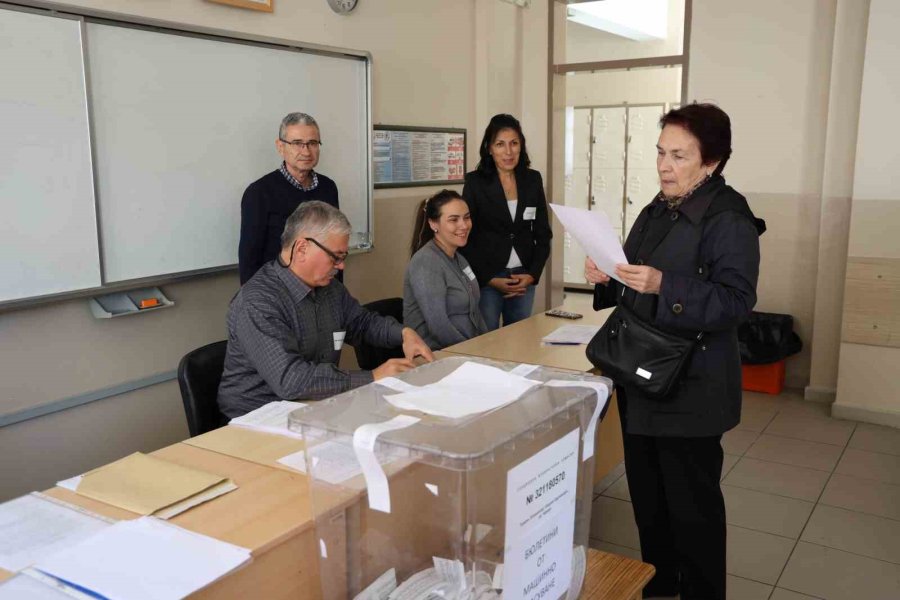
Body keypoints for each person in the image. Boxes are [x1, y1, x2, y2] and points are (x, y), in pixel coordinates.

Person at [585, 104, 764, 600]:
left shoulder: (729, 218)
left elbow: (736, 302)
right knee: (651, 509)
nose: (664, 165)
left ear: (712, 162)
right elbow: (631, 276)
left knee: (694, 517)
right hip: (641, 381)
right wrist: (605, 276)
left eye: (678, 155)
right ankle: (659, 589)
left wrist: (668, 285)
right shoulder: (657, 207)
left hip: (691, 393)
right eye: (661, 152)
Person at [218, 201, 433, 418]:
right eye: (335, 257)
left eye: (343, 257)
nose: (341, 266)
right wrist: (372, 377)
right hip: (258, 417)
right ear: (301, 249)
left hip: (313, 408)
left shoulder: (330, 290)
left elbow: (362, 323)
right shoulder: (257, 302)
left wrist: (403, 333)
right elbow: (291, 380)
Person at [460, 114, 552, 330]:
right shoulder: (475, 182)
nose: (508, 152)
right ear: (489, 148)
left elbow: (543, 234)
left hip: (523, 277)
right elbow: (466, 237)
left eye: (514, 143)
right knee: (487, 339)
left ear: (521, 146)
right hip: (489, 278)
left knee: (518, 338)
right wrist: (488, 278)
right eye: (500, 144)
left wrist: (533, 274)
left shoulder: (532, 180)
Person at [238, 112, 339, 284]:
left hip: (323, 289)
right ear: (280, 146)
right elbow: (249, 260)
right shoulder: (259, 193)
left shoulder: (328, 188)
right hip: (278, 293)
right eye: (297, 143)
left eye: (312, 143)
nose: (306, 151)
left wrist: (338, 293)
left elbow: (335, 246)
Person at [403, 190, 487, 350]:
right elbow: (438, 326)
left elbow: (475, 310)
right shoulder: (425, 262)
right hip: (438, 354)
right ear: (433, 224)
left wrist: (487, 343)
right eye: (453, 220)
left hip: (468, 350)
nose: (464, 225)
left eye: (467, 217)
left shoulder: (459, 259)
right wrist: (474, 353)